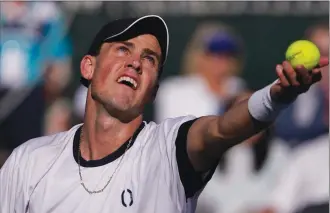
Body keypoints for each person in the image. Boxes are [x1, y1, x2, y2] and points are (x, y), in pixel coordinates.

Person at [0, 15, 328, 213]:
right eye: (123, 49)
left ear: (153, 88)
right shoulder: (29, 162)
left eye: (150, 59)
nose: (136, 62)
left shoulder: (168, 150)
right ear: (88, 66)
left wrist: (277, 96)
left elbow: (223, 129)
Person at [155, 22, 245, 122]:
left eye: (228, 53)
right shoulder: (173, 90)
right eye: (214, 51)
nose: (222, 59)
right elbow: (174, 132)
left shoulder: (236, 86)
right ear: (198, 56)